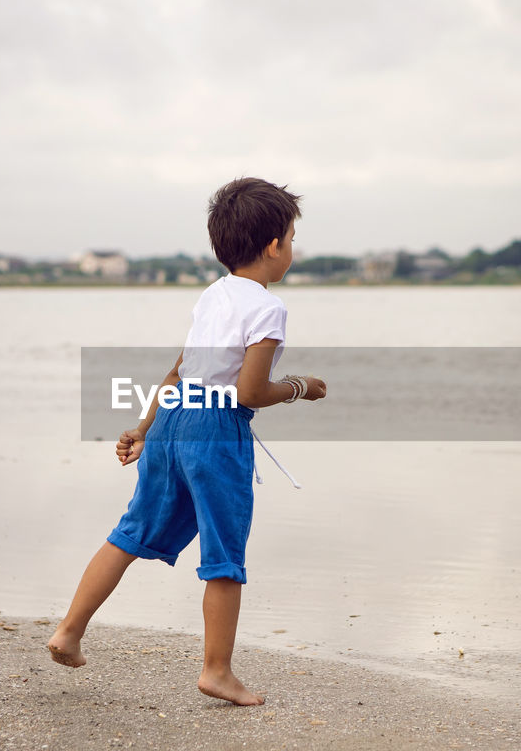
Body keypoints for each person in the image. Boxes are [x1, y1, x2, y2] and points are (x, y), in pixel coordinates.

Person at [47, 177, 327, 706]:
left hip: (174, 422)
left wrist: (144, 427)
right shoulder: (268, 308)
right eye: (291, 237)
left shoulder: (212, 296)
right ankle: (216, 671)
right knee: (224, 551)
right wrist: (300, 388)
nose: (292, 248)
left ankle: (68, 632)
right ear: (274, 246)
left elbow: (181, 369)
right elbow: (249, 390)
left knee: (129, 533)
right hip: (216, 434)